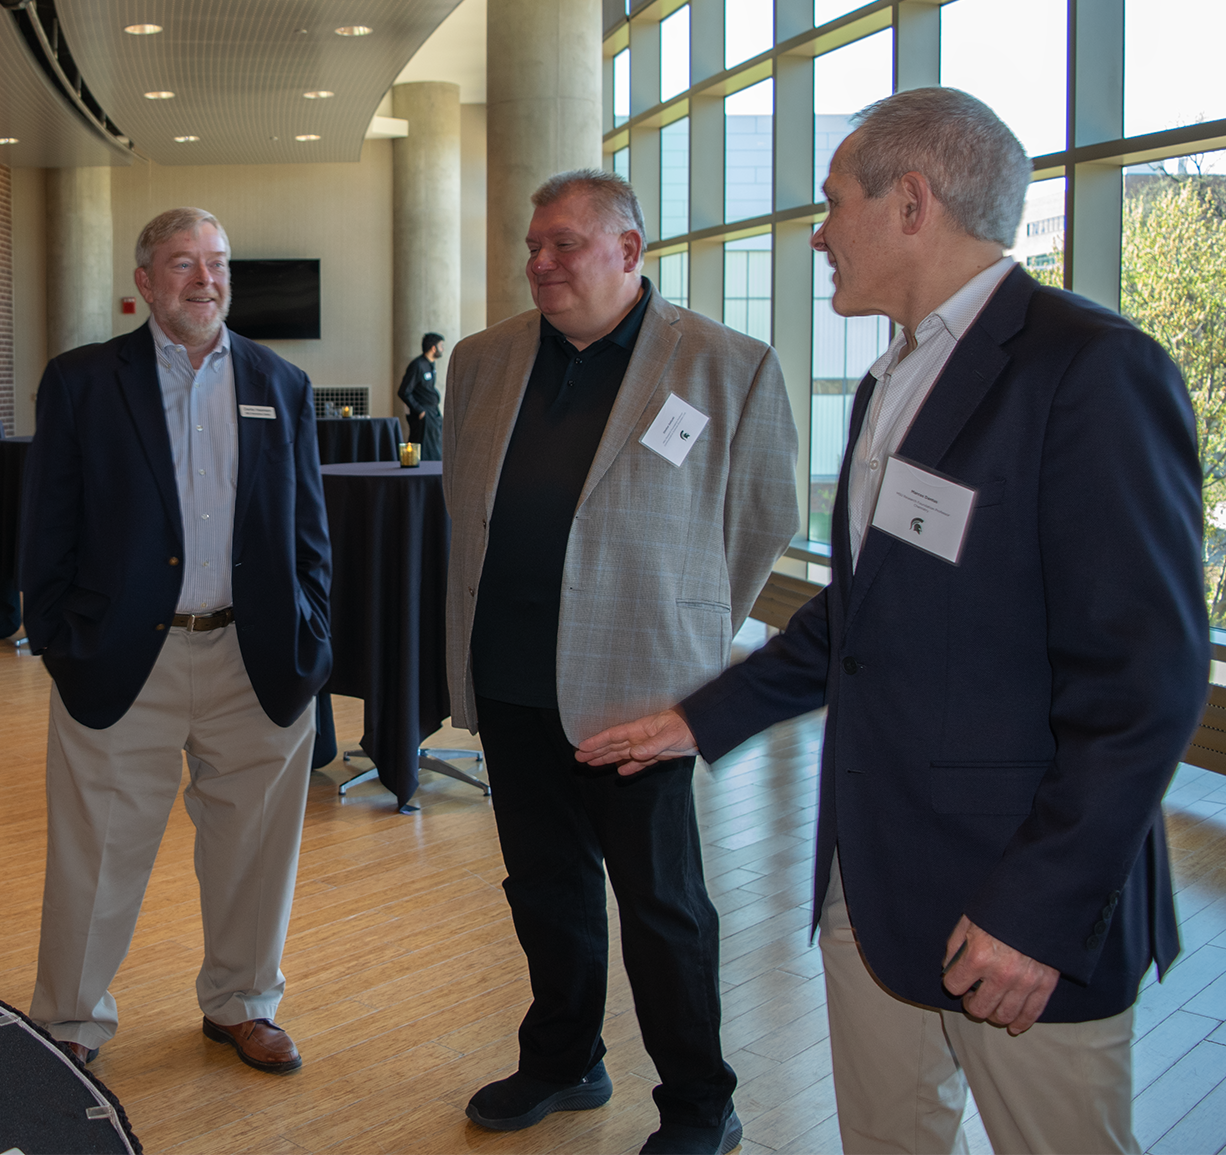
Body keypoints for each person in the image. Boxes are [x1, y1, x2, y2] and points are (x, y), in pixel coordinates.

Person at [577, 88, 1205, 1155]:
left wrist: (1035, 912)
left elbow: (1144, 680)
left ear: (910, 202)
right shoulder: (890, 382)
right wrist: (700, 718)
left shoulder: (1087, 368)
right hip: (869, 885)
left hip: (1017, 912)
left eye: (832, 204)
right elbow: (866, 611)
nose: (817, 234)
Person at [444, 170, 797, 1153]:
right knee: (543, 889)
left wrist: (686, 636)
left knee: (662, 908)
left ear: (629, 250)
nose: (540, 263)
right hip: (509, 680)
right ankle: (563, 1061)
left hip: (639, 695)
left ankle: (697, 1105)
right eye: (533, 245)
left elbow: (762, 518)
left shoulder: (725, 365)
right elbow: (463, 514)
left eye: (563, 244)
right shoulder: (482, 360)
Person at [21, 206, 331, 1072]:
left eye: (219, 262)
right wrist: (58, 635)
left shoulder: (282, 383)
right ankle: (73, 1021)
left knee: (256, 850)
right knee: (98, 855)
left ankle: (242, 1002)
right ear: (145, 281)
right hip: (124, 658)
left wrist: (312, 630)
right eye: (183, 262)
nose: (206, 279)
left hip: (256, 657)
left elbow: (309, 533)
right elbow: (46, 526)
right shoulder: (83, 382)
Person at [397, 331, 444, 459]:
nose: (443, 349)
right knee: (424, 451)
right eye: (441, 346)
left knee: (437, 449)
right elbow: (404, 391)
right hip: (424, 415)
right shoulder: (417, 365)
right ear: (433, 348)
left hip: (433, 413)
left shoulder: (430, 365)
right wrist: (419, 410)